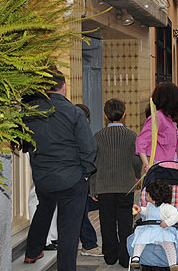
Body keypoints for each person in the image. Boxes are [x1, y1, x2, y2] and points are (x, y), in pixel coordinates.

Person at [23, 68, 96, 271]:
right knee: (69, 229)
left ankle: (32, 251)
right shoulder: (75, 112)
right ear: (64, 87)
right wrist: (85, 174)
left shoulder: (30, 112)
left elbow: (25, 143)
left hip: (44, 178)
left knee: (44, 209)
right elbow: (89, 148)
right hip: (72, 179)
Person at [89, 99, 142, 267]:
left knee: (107, 221)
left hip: (104, 186)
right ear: (124, 114)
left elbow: (94, 163)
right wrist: (137, 175)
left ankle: (110, 255)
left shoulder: (98, 136)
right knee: (125, 221)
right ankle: (125, 256)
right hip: (125, 185)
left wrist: (93, 187)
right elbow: (136, 160)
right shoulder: (131, 135)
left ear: (105, 115)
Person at [130, 180, 178, 270]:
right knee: (140, 239)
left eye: (147, 193)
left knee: (168, 244)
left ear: (154, 196)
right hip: (149, 230)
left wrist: (167, 223)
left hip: (162, 230)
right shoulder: (149, 205)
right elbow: (148, 212)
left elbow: (176, 215)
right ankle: (136, 257)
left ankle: (172, 263)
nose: (146, 195)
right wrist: (141, 210)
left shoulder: (166, 207)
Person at [136, 82, 178, 171]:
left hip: (172, 164)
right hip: (161, 168)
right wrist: (147, 165)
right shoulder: (157, 117)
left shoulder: (168, 117)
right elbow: (141, 141)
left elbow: (176, 136)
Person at [74, 103, 103, 257]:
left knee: (80, 211)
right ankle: (89, 244)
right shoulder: (82, 135)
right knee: (82, 211)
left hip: (76, 178)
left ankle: (83, 240)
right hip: (79, 178)